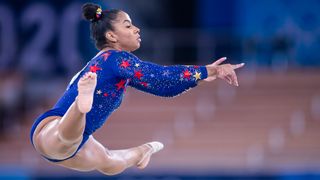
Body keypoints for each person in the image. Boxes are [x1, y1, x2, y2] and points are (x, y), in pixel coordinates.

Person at [30, 2, 245, 176]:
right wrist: (208, 71)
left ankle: (142, 152)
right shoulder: (116, 59)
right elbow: (162, 78)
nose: (136, 29)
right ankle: (80, 106)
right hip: (54, 128)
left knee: (110, 164)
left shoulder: (113, 64)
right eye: (128, 25)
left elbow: (163, 86)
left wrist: (198, 77)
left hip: (78, 140)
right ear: (112, 36)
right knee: (64, 139)